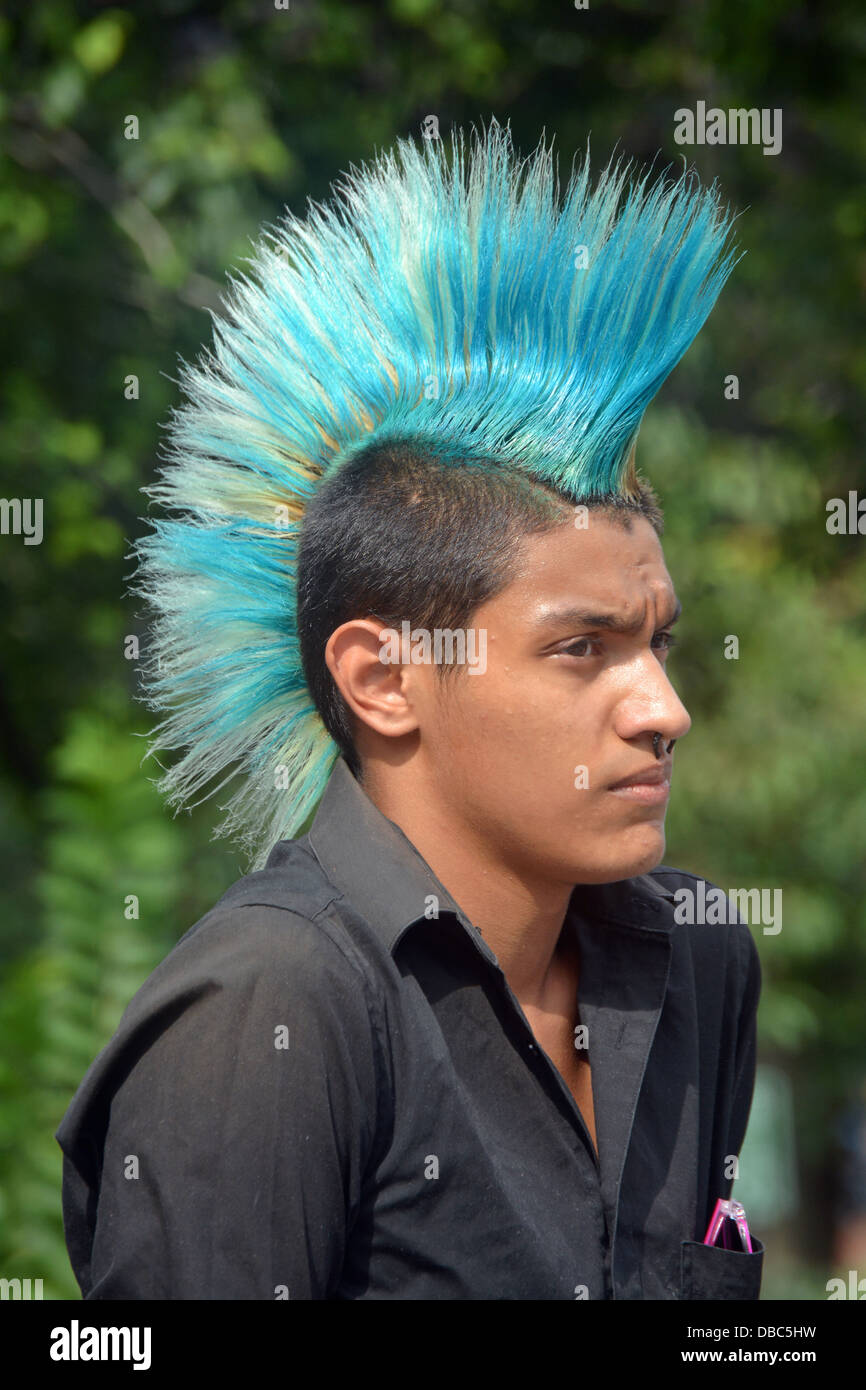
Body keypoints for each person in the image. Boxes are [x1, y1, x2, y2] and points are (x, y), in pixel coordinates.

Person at [55, 118, 763, 1300]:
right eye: (581, 647)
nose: (663, 708)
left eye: (655, 641)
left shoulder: (696, 957)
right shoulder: (269, 1013)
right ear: (382, 678)